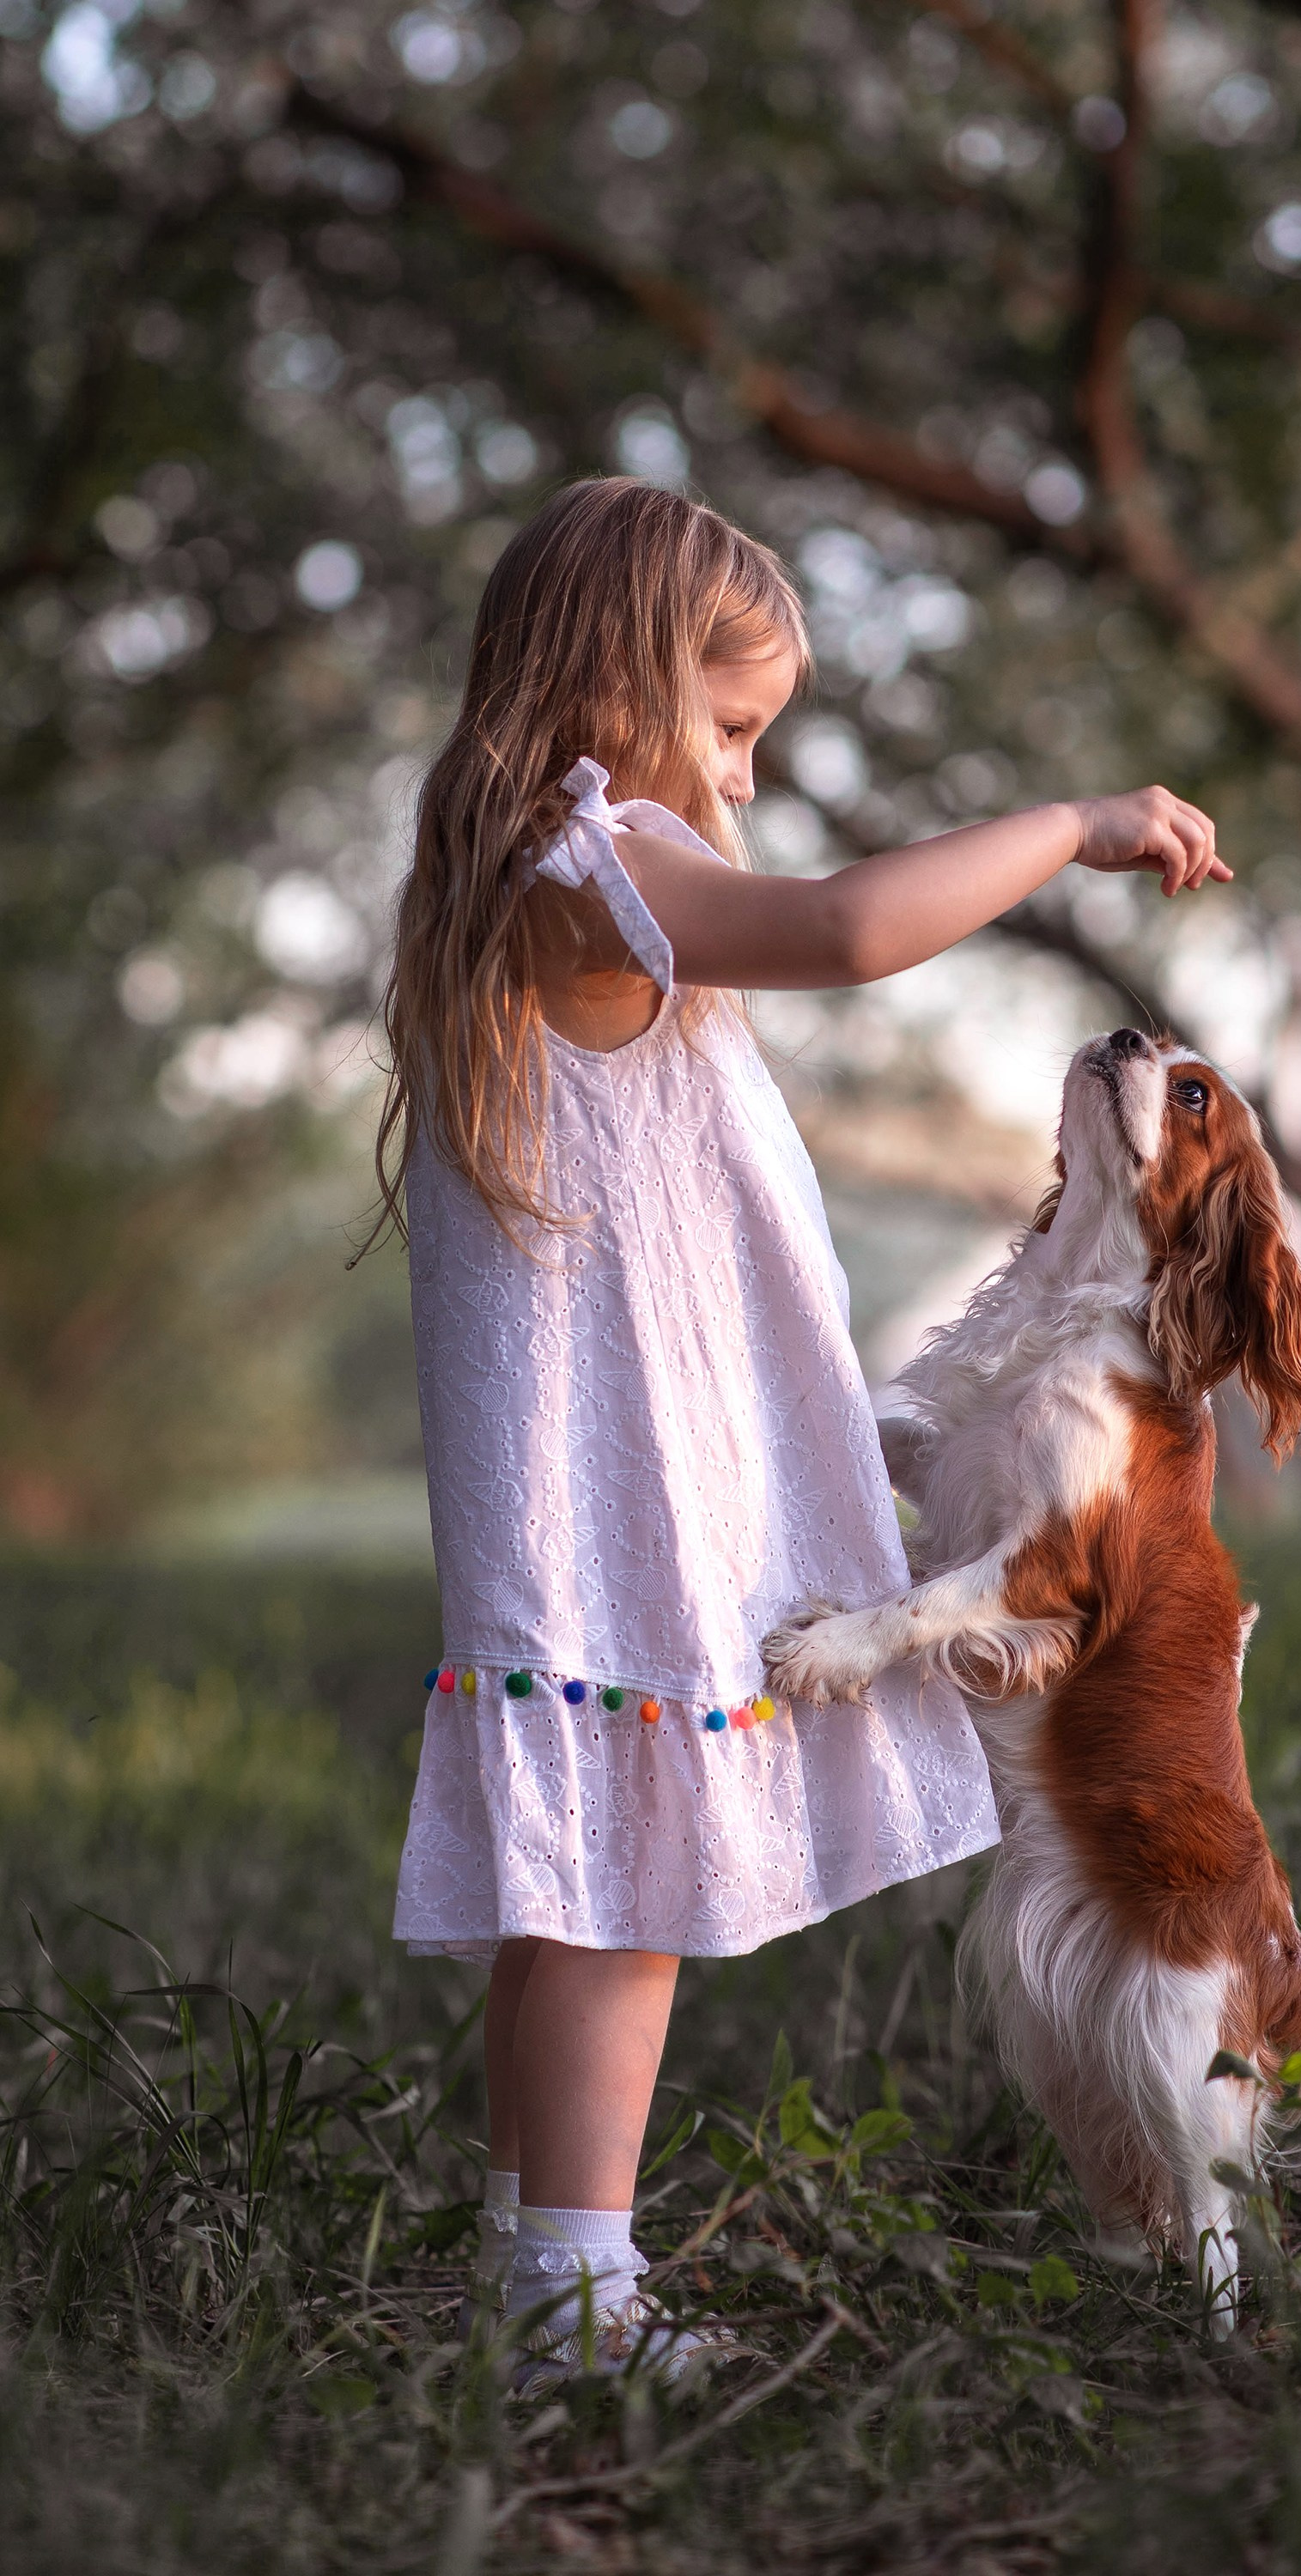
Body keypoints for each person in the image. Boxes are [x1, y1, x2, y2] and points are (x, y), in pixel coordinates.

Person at [373, 475, 1227, 2385]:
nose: (747, 782)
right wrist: (1077, 822)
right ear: (618, 682)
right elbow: (845, 929)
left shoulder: (537, 883)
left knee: (580, 1886)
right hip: (621, 1492)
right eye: (737, 727)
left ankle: (532, 2263)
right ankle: (575, 2305)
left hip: (588, 1473)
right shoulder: (592, 868)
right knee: (624, 1901)